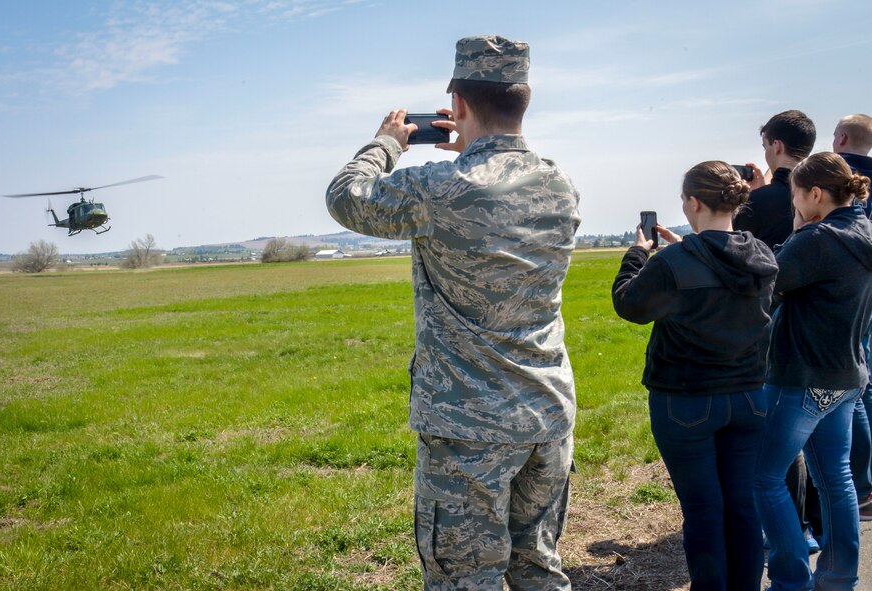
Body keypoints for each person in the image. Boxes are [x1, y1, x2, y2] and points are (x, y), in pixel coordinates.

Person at [326, 36, 581, 590]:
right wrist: (473, 151)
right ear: (523, 101)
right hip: (547, 413)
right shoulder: (560, 184)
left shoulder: (438, 188)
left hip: (469, 426)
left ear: (458, 105)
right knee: (538, 568)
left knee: (465, 579)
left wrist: (385, 144)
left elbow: (346, 198)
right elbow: (494, 188)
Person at [612, 161, 778, 590]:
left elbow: (630, 305)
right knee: (742, 506)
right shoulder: (760, 253)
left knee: (704, 510)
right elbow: (722, 264)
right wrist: (684, 248)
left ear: (692, 202)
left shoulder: (673, 261)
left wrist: (637, 254)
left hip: (685, 398)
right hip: (748, 395)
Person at [754, 152, 872, 591]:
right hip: (847, 375)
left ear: (815, 194)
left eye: (796, 196)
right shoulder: (863, 232)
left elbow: (767, 286)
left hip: (802, 376)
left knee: (762, 477)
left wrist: (797, 233)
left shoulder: (817, 239)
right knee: (836, 479)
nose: (795, 204)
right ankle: (839, 579)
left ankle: (790, 581)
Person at [734, 109, 821, 551]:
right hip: (813, 322)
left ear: (776, 146)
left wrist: (753, 194)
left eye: (766, 142)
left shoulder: (760, 202)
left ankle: (780, 527)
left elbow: (737, 252)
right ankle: (807, 523)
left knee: (770, 427)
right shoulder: (818, 195)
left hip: (763, 319)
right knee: (807, 434)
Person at [833, 114, 872, 521]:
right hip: (867, 292)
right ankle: (865, 481)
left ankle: (861, 483)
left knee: (853, 389)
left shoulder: (837, 176)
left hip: (839, 294)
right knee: (865, 380)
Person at [734, 110, 817, 250]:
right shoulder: (825, 196)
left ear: (777, 146)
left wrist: (754, 197)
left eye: (765, 146)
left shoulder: (754, 202)